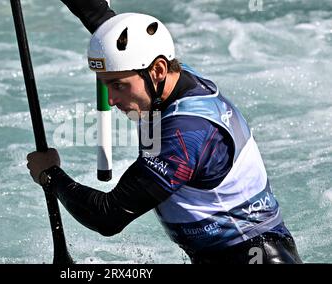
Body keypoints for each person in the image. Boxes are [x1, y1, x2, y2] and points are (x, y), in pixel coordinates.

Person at [26, 0, 302, 264]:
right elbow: (101, 20)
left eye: (118, 85)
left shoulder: (185, 136)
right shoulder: (166, 78)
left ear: (157, 70)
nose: (110, 99)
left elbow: (107, 217)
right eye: (105, 84)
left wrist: (50, 174)